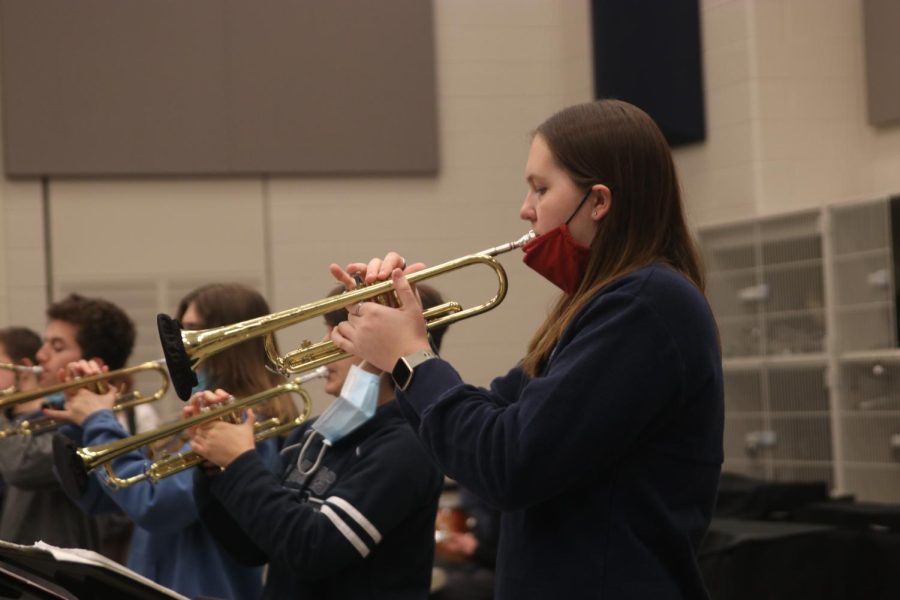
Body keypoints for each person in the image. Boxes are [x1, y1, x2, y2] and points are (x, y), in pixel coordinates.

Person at [329, 99, 724, 599]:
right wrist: (401, 349)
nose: (525, 209)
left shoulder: (645, 304)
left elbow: (507, 464)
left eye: (541, 188)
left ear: (598, 201)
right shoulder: (607, 303)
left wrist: (410, 357)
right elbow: (486, 427)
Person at [187, 284, 450, 599]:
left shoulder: (407, 447)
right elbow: (255, 548)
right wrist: (215, 468)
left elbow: (311, 551)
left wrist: (240, 462)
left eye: (341, 333)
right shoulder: (311, 433)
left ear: (387, 344)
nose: (324, 345)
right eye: (328, 331)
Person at [48, 282, 295, 600]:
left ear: (232, 339)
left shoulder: (246, 425)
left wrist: (99, 419)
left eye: (192, 331)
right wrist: (79, 423)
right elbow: (104, 497)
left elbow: (156, 504)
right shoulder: (190, 422)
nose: (178, 345)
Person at [0, 295, 136, 555]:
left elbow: (21, 467)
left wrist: (23, 411)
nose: (41, 354)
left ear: (91, 366)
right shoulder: (50, 413)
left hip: (56, 579)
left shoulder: (90, 429)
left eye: (57, 347)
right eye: (45, 343)